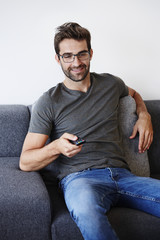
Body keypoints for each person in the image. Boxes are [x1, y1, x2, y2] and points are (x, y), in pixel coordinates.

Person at [20, 22, 159, 240]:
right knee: (87, 212)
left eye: (81, 54)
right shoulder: (48, 101)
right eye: (68, 56)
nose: (76, 62)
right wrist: (56, 147)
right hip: (80, 180)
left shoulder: (111, 84)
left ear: (91, 53)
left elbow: (133, 93)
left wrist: (144, 115)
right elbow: (25, 161)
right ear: (58, 59)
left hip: (123, 175)